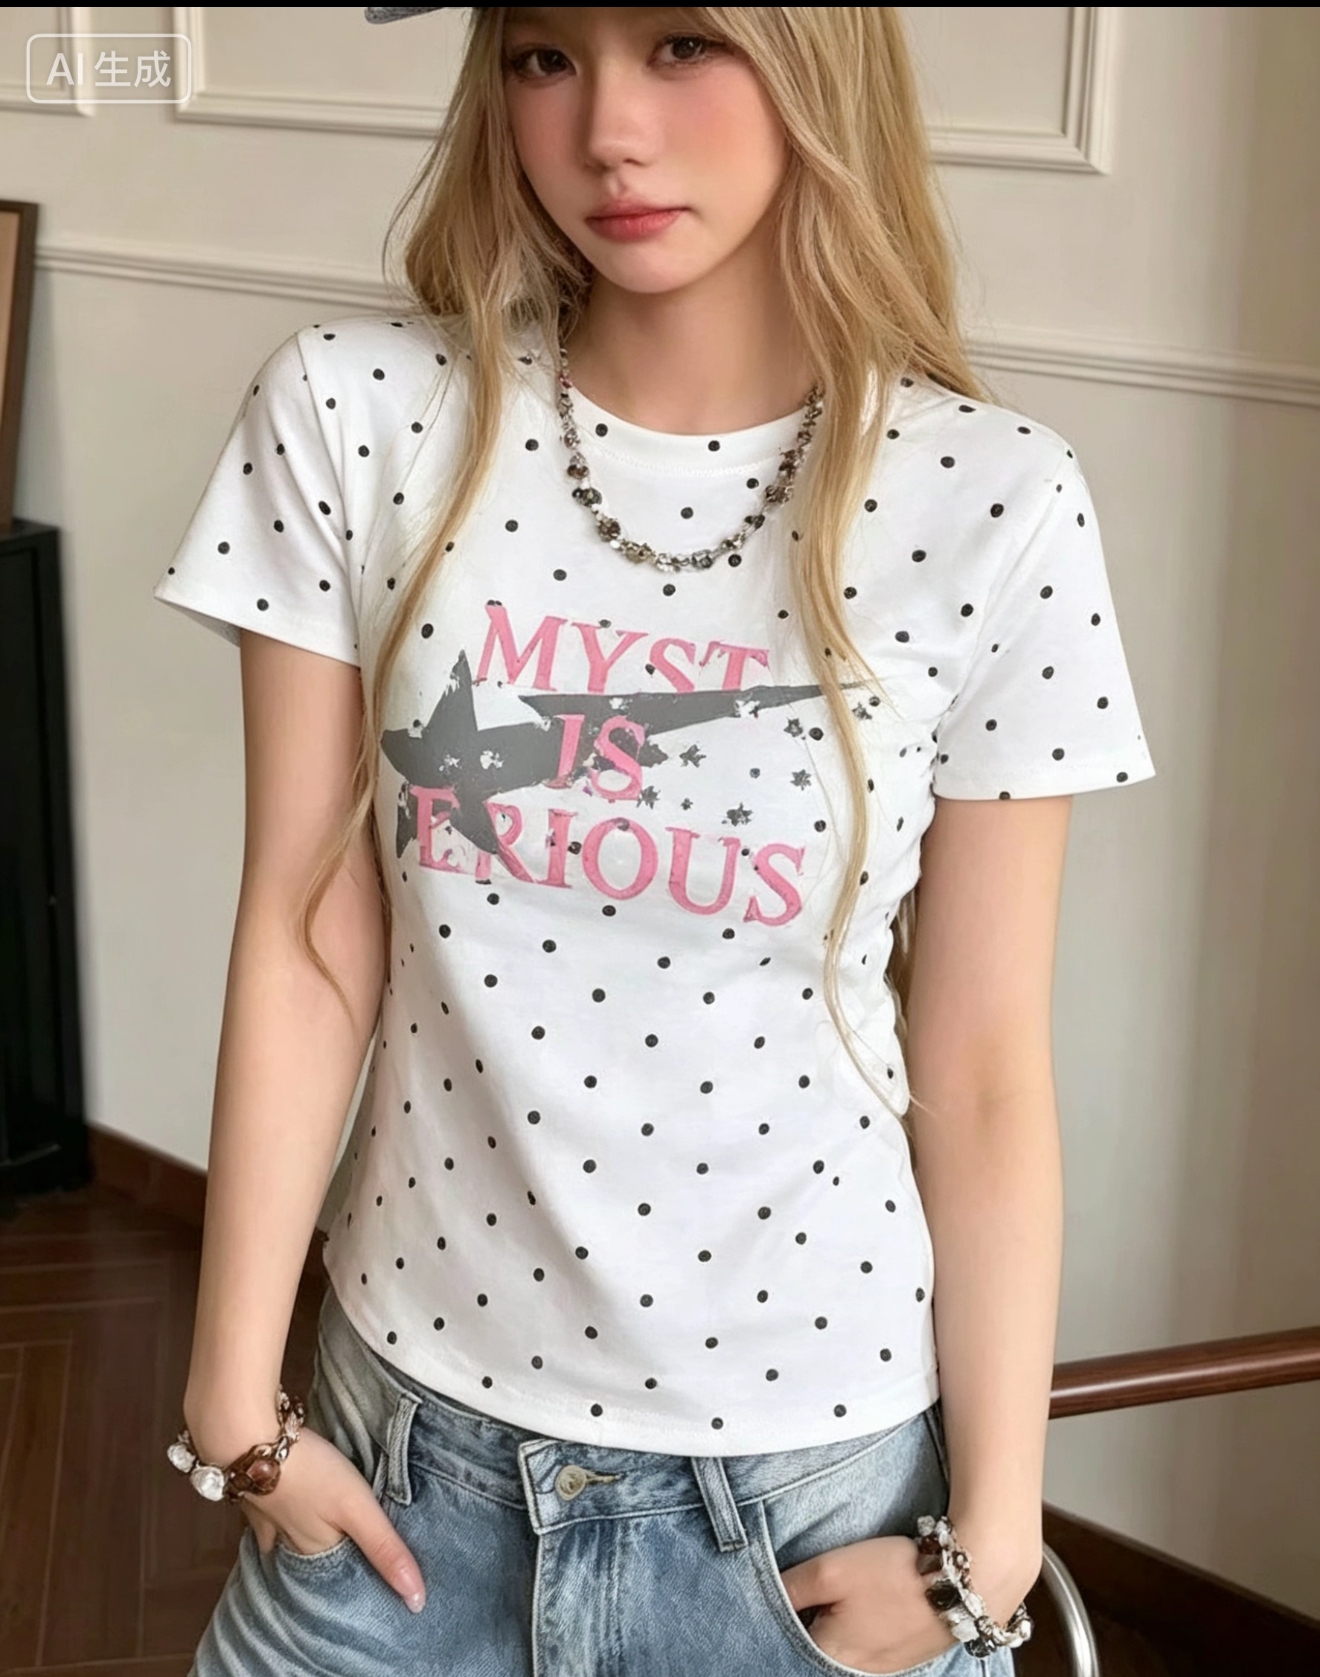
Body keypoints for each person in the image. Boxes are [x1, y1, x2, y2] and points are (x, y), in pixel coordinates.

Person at [153, 7, 1157, 1674]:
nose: (607, 128)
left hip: (808, 1502)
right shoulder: (358, 415)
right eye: (545, 54)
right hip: (399, 1463)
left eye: (686, 42)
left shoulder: (994, 502)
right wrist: (232, 1400)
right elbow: (313, 931)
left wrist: (992, 1532)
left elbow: (981, 1063)